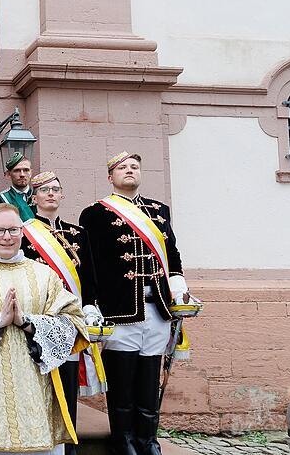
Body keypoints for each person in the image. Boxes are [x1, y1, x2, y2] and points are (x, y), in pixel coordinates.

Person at [79, 152, 201, 455]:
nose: (129, 171)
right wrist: (90, 303)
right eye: (122, 167)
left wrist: (179, 290)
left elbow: (172, 257)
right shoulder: (95, 214)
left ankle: (148, 439)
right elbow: (90, 264)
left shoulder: (160, 211)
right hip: (120, 308)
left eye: (134, 167)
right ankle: (124, 439)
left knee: (149, 375)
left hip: (157, 307)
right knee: (122, 377)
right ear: (111, 176)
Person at [0, 203, 87, 454]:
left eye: (13, 230)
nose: (7, 237)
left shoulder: (45, 275)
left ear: (23, 232)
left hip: (35, 395)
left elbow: (71, 323)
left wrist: (26, 322)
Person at [21, 171, 106, 455]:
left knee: (68, 385)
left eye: (55, 189)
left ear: (62, 195)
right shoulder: (23, 234)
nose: (51, 194)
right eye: (44, 190)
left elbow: (91, 276)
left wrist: (91, 306)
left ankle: (67, 445)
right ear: (34, 198)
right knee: (39, 386)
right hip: (39, 321)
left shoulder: (78, 233)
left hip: (70, 322)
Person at [0, 152, 35, 221]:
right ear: (8, 174)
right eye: (17, 170)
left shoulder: (39, 196)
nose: (22, 174)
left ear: (31, 173)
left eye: (26, 170)